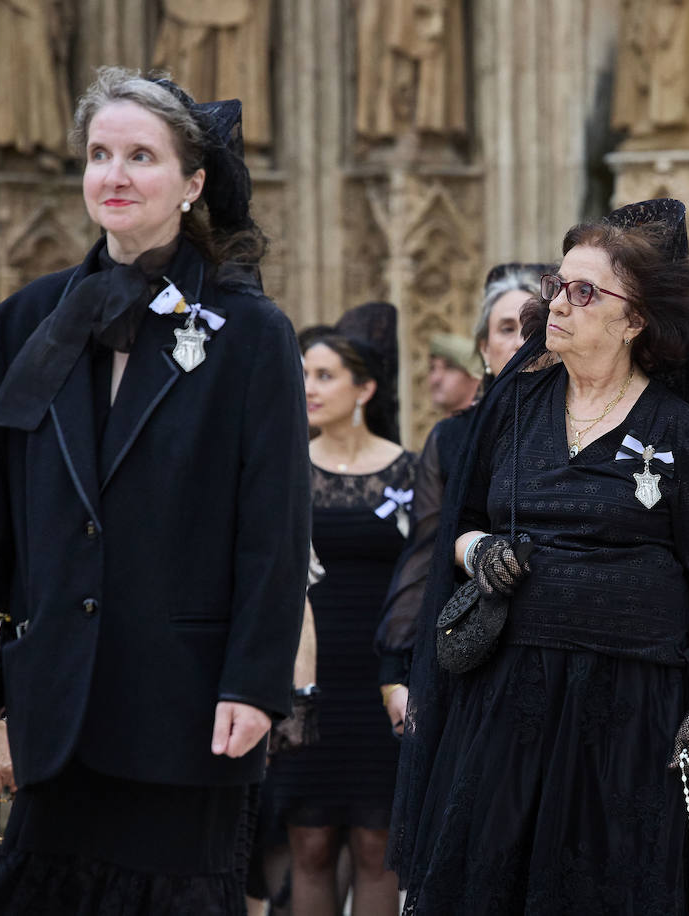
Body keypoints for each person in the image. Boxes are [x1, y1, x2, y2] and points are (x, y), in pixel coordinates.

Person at [0, 66, 309, 913]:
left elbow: (273, 528)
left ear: (192, 183)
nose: (113, 176)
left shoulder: (250, 334)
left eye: (141, 157)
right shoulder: (26, 321)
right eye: (99, 154)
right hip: (57, 703)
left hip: (187, 708)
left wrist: (254, 684)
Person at [385, 199, 689, 914]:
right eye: (558, 285)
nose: (560, 304)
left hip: (629, 701)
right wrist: (479, 548)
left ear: (634, 319)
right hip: (512, 691)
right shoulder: (518, 404)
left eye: (586, 292)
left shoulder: (679, 430)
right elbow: (466, 520)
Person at [268, 303, 419, 916]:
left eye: (325, 375)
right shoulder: (285, 471)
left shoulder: (409, 469)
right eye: (303, 374)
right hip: (310, 672)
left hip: (382, 676)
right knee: (309, 842)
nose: (309, 387)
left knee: (378, 841)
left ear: (366, 388)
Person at [375, 262, 548, 729]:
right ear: (483, 349)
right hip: (474, 643)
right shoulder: (454, 437)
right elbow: (428, 546)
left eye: (534, 326)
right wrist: (396, 669)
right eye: (507, 328)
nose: (520, 339)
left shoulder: (587, 428)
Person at [426, 332, 482, 415]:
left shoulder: (489, 425)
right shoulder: (443, 427)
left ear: (475, 376)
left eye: (449, 367)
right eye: (432, 368)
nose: (436, 379)